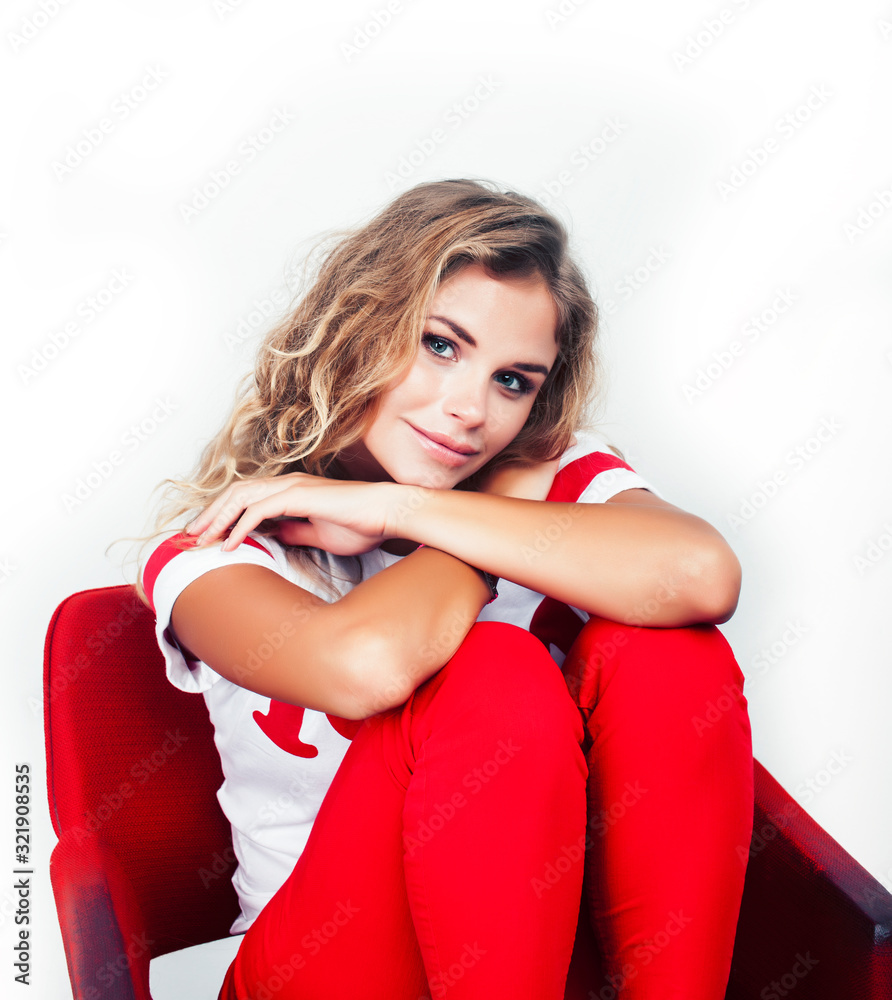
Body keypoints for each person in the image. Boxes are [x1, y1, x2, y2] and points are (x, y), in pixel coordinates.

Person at [136, 178, 754, 1000]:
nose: (470, 410)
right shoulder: (217, 545)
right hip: (323, 965)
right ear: (358, 326)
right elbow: (364, 668)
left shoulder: (539, 470)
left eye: (513, 382)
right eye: (440, 345)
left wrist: (402, 509)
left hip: (541, 962)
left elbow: (701, 575)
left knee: (669, 653)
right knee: (492, 670)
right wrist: (477, 526)